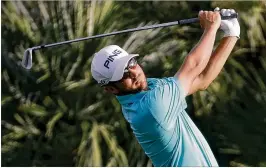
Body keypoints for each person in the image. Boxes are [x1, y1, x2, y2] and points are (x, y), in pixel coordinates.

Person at [91, 8, 240, 167]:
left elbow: (202, 80)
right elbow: (193, 65)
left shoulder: (149, 89)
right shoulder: (150, 107)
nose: (134, 73)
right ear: (111, 89)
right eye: (123, 74)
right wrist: (211, 28)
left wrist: (231, 34)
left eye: (131, 64)